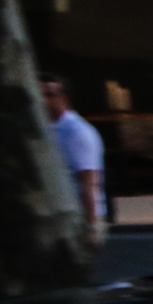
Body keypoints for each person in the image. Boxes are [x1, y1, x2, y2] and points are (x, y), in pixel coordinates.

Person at [39, 72, 107, 251]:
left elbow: (88, 182)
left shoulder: (77, 133)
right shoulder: (46, 129)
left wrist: (91, 226)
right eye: (39, 95)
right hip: (58, 218)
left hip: (77, 220)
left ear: (64, 99)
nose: (43, 101)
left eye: (50, 95)